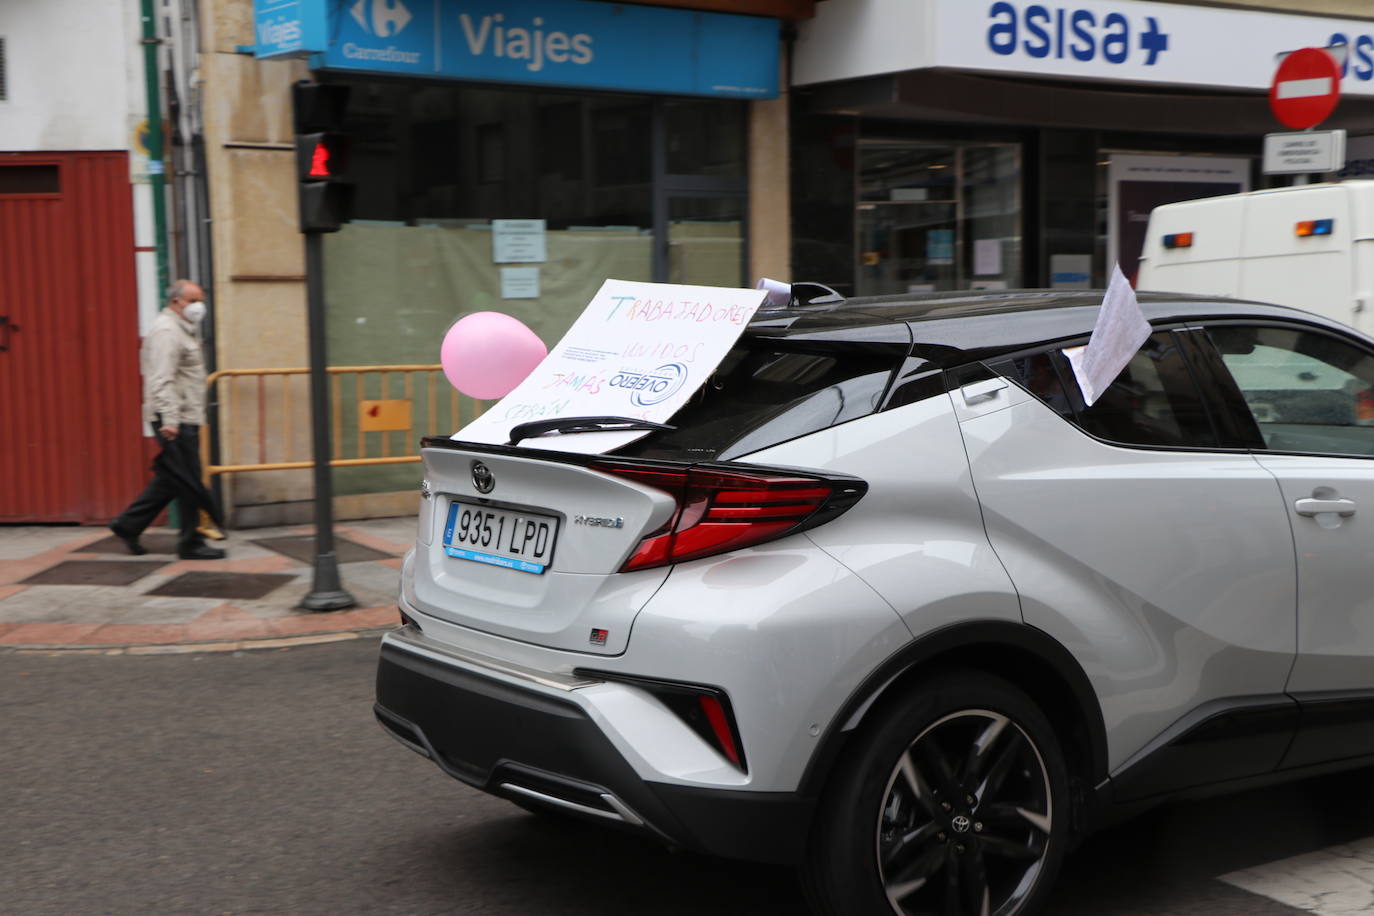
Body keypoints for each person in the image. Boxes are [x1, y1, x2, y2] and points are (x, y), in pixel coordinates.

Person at [109, 279, 226, 560]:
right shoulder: (167, 332)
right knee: (187, 480)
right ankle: (191, 543)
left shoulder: (181, 328)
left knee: (173, 477)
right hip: (175, 418)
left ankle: (128, 525)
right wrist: (171, 420)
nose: (199, 307)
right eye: (193, 301)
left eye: (201, 300)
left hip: (183, 415)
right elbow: (161, 380)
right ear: (176, 302)